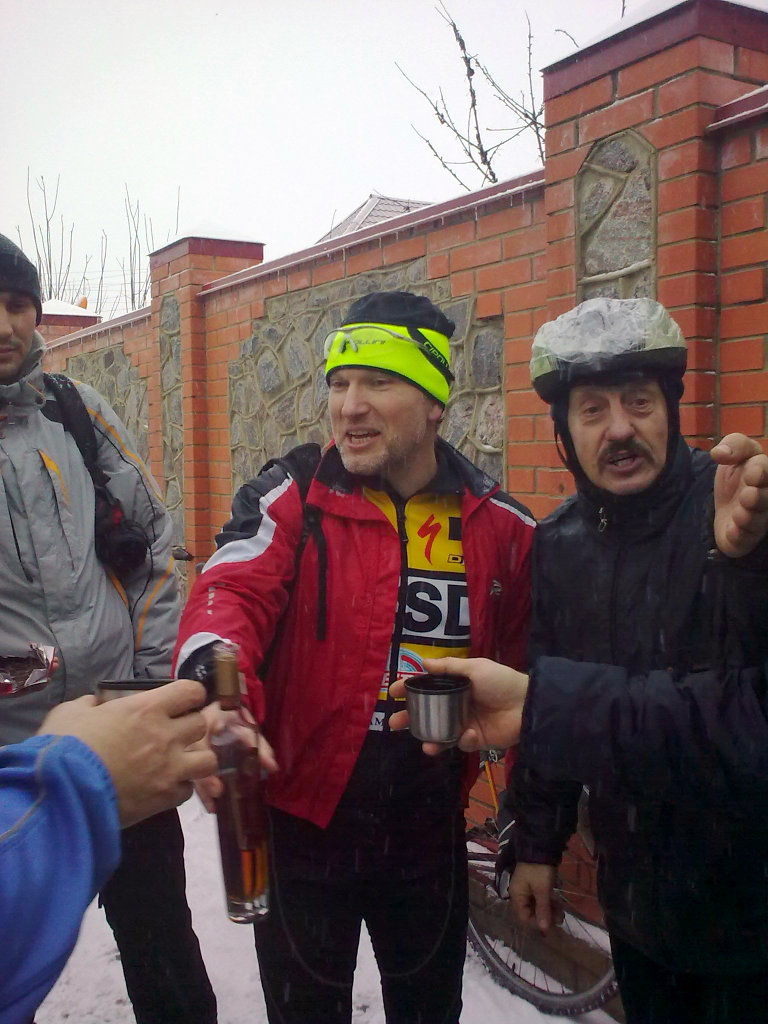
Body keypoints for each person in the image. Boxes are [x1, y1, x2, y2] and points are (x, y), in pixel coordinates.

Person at [174, 291, 536, 1023]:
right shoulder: (292, 494)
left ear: (435, 402)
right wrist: (218, 692)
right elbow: (229, 592)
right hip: (301, 828)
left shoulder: (503, 526)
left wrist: (535, 831)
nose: (350, 406)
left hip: (429, 833)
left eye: (379, 381)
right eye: (339, 383)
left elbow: (539, 687)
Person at [505, 297, 768, 1024]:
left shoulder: (736, 511)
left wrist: (751, 564)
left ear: (671, 412)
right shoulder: (559, 544)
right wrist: (536, 843)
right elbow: (551, 700)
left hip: (752, 919)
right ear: (564, 434)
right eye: (592, 410)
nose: (619, 428)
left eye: (639, 402)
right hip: (638, 911)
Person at [0, 234, 216, 1024]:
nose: (4, 325)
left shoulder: (78, 411)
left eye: (16, 305)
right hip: (13, 764)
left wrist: (148, 683)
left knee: (165, 948)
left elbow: (156, 544)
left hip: (120, 737)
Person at [1, 680, 216, 1024]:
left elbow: (154, 648)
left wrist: (153, 706)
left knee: (160, 934)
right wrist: (73, 773)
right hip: (21, 774)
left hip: (136, 755)